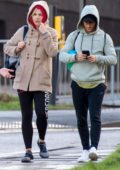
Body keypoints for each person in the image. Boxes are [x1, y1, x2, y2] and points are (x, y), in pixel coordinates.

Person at [59, 5, 117, 162]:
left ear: (96, 22)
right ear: (82, 21)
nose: (89, 25)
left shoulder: (105, 37)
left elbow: (113, 58)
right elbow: (62, 55)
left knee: (95, 117)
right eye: (86, 22)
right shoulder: (75, 35)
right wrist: (75, 57)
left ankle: (94, 148)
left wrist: (97, 58)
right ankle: (85, 149)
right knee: (81, 118)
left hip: (97, 83)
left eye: (92, 22)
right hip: (77, 83)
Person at [4, 0, 58, 163]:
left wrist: (44, 33)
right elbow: (7, 47)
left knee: (42, 114)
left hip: (42, 81)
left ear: (45, 15)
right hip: (23, 80)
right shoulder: (23, 31)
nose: (37, 17)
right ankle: (28, 151)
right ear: (30, 15)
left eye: (40, 13)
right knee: (26, 116)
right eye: (34, 13)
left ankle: (41, 141)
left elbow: (53, 52)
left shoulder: (52, 32)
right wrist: (17, 48)